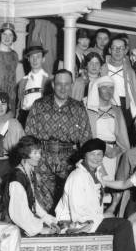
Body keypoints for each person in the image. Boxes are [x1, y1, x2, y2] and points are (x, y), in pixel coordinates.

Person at [55, 138, 136, 251]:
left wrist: (105, 212)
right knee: (123, 225)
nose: (97, 158)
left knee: (124, 222)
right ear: (84, 155)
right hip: (76, 222)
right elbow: (78, 211)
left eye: (100, 154)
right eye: (93, 154)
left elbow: (94, 199)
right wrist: (101, 218)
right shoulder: (77, 176)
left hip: (91, 218)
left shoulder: (95, 173)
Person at [25, 69, 93, 212]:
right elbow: (29, 136)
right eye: (59, 84)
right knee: (41, 204)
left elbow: (86, 141)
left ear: (72, 85)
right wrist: (30, 161)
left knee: (68, 203)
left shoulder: (79, 108)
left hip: (69, 162)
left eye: (67, 84)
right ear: (52, 85)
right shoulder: (39, 105)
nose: (63, 88)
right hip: (42, 160)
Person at [4, 136, 58, 236]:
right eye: (35, 153)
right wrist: (40, 229)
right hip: (14, 226)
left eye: (39, 152)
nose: (39, 156)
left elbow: (34, 203)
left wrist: (50, 220)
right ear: (24, 154)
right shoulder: (17, 177)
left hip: (27, 222)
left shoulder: (29, 172)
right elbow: (19, 214)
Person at [85, 76, 130, 180]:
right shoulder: (89, 110)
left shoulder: (117, 110)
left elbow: (122, 137)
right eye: (104, 87)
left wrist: (118, 150)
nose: (108, 91)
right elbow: (87, 135)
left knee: (111, 184)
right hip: (94, 153)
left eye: (111, 88)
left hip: (113, 155)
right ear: (97, 89)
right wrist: (103, 147)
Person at [101, 36, 136, 123]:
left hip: (125, 106)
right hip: (107, 104)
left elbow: (133, 94)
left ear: (125, 51)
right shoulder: (103, 69)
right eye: (114, 48)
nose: (117, 50)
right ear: (110, 50)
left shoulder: (130, 71)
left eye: (121, 48)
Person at [17, 41, 52, 127]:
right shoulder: (23, 81)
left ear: (43, 59)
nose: (35, 60)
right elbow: (19, 103)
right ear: (28, 59)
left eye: (38, 57)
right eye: (32, 56)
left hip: (43, 117)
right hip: (24, 117)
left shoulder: (50, 79)